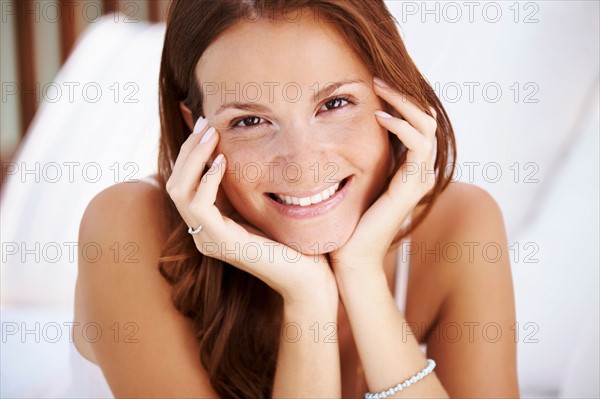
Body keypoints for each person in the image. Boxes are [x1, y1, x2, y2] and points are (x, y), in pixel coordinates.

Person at [73, 0, 519, 397]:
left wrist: (361, 274)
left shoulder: (463, 225)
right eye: (249, 121)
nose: (303, 165)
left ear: (396, 100)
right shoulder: (127, 229)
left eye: (335, 104)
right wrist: (308, 298)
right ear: (198, 128)